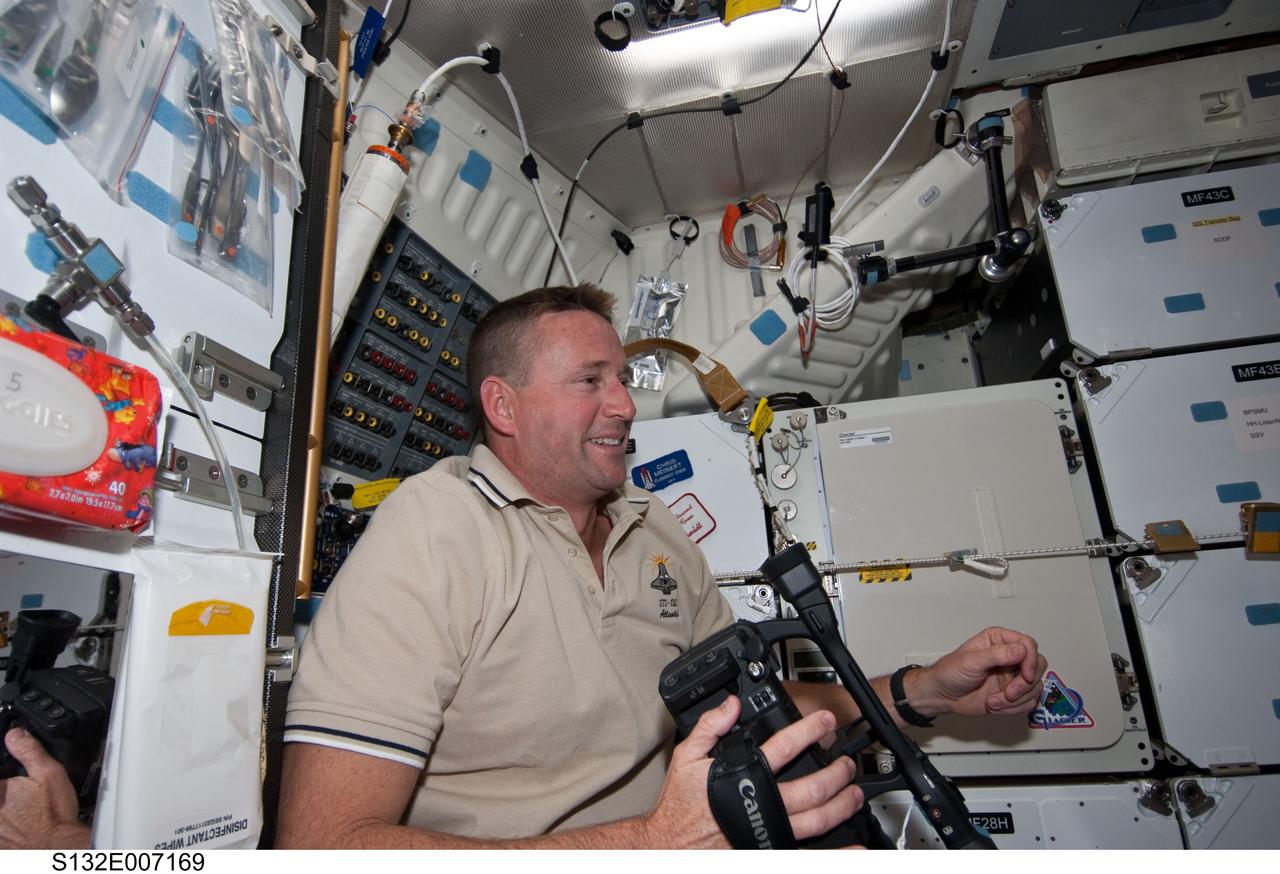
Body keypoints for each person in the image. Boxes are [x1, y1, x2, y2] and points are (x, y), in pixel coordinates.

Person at [275, 284, 1048, 849]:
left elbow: (756, 702)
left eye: (621, 380)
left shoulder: (657, 533)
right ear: (504, 408)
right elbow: (321, 846)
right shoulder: (435, 531)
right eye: (590, 382)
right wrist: (650, 845)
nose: (623, 406)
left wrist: (919, 692)